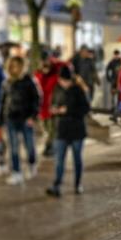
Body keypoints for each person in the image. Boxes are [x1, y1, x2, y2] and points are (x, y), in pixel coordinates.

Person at [45, 64, 91, 197]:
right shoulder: (57, 89)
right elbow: (52, 104)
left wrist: (67, 110)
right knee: (59, 160)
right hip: (61, 129)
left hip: (77, 130)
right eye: (62, 81)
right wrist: (54, 110)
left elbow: (85, 109)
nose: (64, 83)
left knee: (77, 159)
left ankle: (77, 184)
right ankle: (56, 186)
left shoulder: (78, 90)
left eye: (66, 81)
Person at [0, 54, 41, 185]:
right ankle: (16, 173)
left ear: (22, 67)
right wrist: (0, 121)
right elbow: (2, 102)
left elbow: (37, 100)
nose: (14, 69)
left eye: (16, 66)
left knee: (29, 146)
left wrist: (32, 117)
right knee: (14, 148)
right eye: (12, 66)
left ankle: (32, 164)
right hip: (11, 119)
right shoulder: (6, 83)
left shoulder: (29, 82)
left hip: (26, 119)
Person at [35, 54, 62, 157]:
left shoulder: (55, 76)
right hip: (41, 108)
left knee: (52, 129)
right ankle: (49, 146)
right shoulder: (37, 76)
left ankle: (50, 147)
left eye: (47, 64)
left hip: (52, 107)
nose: (45, 67)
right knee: (46, 130)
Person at [105, 49, 121, 119]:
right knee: (113, 98)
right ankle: (114, 110)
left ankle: (119, 111)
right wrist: (109, 79)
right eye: (115, 55)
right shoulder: (112, 62)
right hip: (113, 82)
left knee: (120, 97)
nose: (116, 56)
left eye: (117, 55)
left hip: (120, 82)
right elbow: (107, 70)